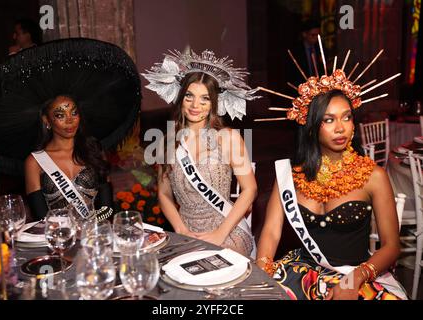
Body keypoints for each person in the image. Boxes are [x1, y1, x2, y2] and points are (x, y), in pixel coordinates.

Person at [255, 48, 406, 299]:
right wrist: (262, 270)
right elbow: (271, 232)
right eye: (328, 120)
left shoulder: (373, 175)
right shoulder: (291, 177)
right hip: (299, 272)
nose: (340, 128)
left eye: (346, 118)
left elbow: (391, 246)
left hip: (355, 275)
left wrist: (355, 279)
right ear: (313, 128)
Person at [142, 50, 258, 257]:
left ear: (214, 103)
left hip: (227, 229)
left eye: (205, 98)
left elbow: (250, 189)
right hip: (185, 230)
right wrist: (181, 230)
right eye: (190, 96)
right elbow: (164, 193)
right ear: (181, 98)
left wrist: (219, 234)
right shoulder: (167, 142)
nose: (196, 105)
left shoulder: (228, 137)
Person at [24, 95, 113, 220]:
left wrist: (88, 230)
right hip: (56, 235)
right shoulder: (35, 162)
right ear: (46, 120)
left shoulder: (94, 151)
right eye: (60, 115)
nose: (70, 120)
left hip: (94, 234)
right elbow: (41, 217)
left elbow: (108, 209)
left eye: (74, 113)